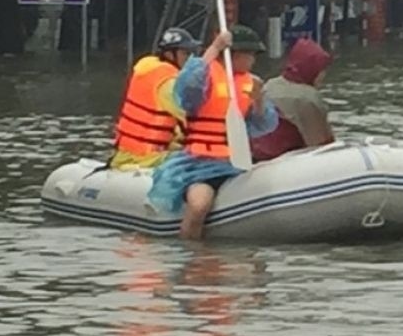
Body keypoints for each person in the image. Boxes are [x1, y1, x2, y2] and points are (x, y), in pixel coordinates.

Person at [147, 25, 278, 240]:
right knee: (200, 206)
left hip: (236, 164)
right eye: (249, 54)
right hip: (199, 165)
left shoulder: (252, 83)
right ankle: (192, 257)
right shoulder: (204, 78)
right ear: (233, 55)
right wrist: (215, 48)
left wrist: (259, 101)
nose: (253, 60)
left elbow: (264, 125)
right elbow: (186, 90)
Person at [109, 27, 201, 171]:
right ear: (170, 55)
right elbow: (193, 117)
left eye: (191, 53)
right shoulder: (169, 82)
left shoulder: (148, 69)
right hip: (147, 158)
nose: (190, 59)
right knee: (204, 160)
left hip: (128, 153)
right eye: (185, 53)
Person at [250, 37, 335, 163]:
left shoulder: (271, 84)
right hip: (285, 159)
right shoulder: (308, 98)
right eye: (321, 70)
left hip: (256, 156)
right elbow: (322, 145)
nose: (323, 75)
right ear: (312, 69)